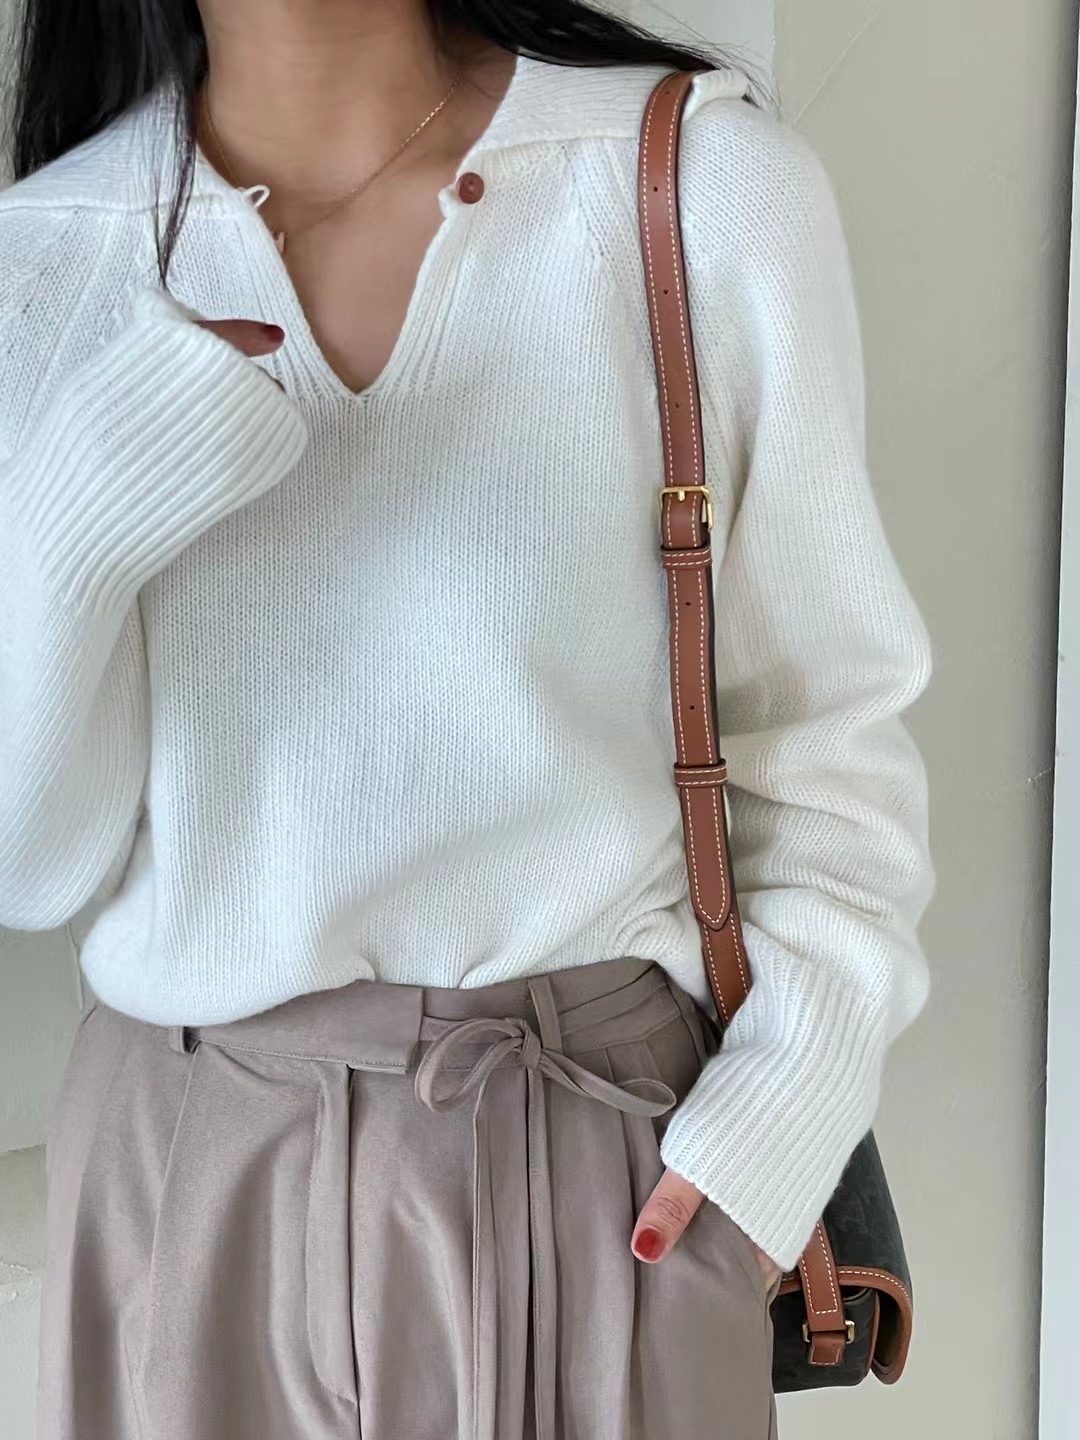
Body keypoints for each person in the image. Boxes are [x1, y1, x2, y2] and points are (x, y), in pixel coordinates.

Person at [0, 0, 935, 1436]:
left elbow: (825, 734)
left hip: (597, 1161)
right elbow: (30, 863)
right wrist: (70, 532)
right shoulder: (40, 261)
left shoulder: (700, 188)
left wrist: (774, 1134)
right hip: (185, 1186)